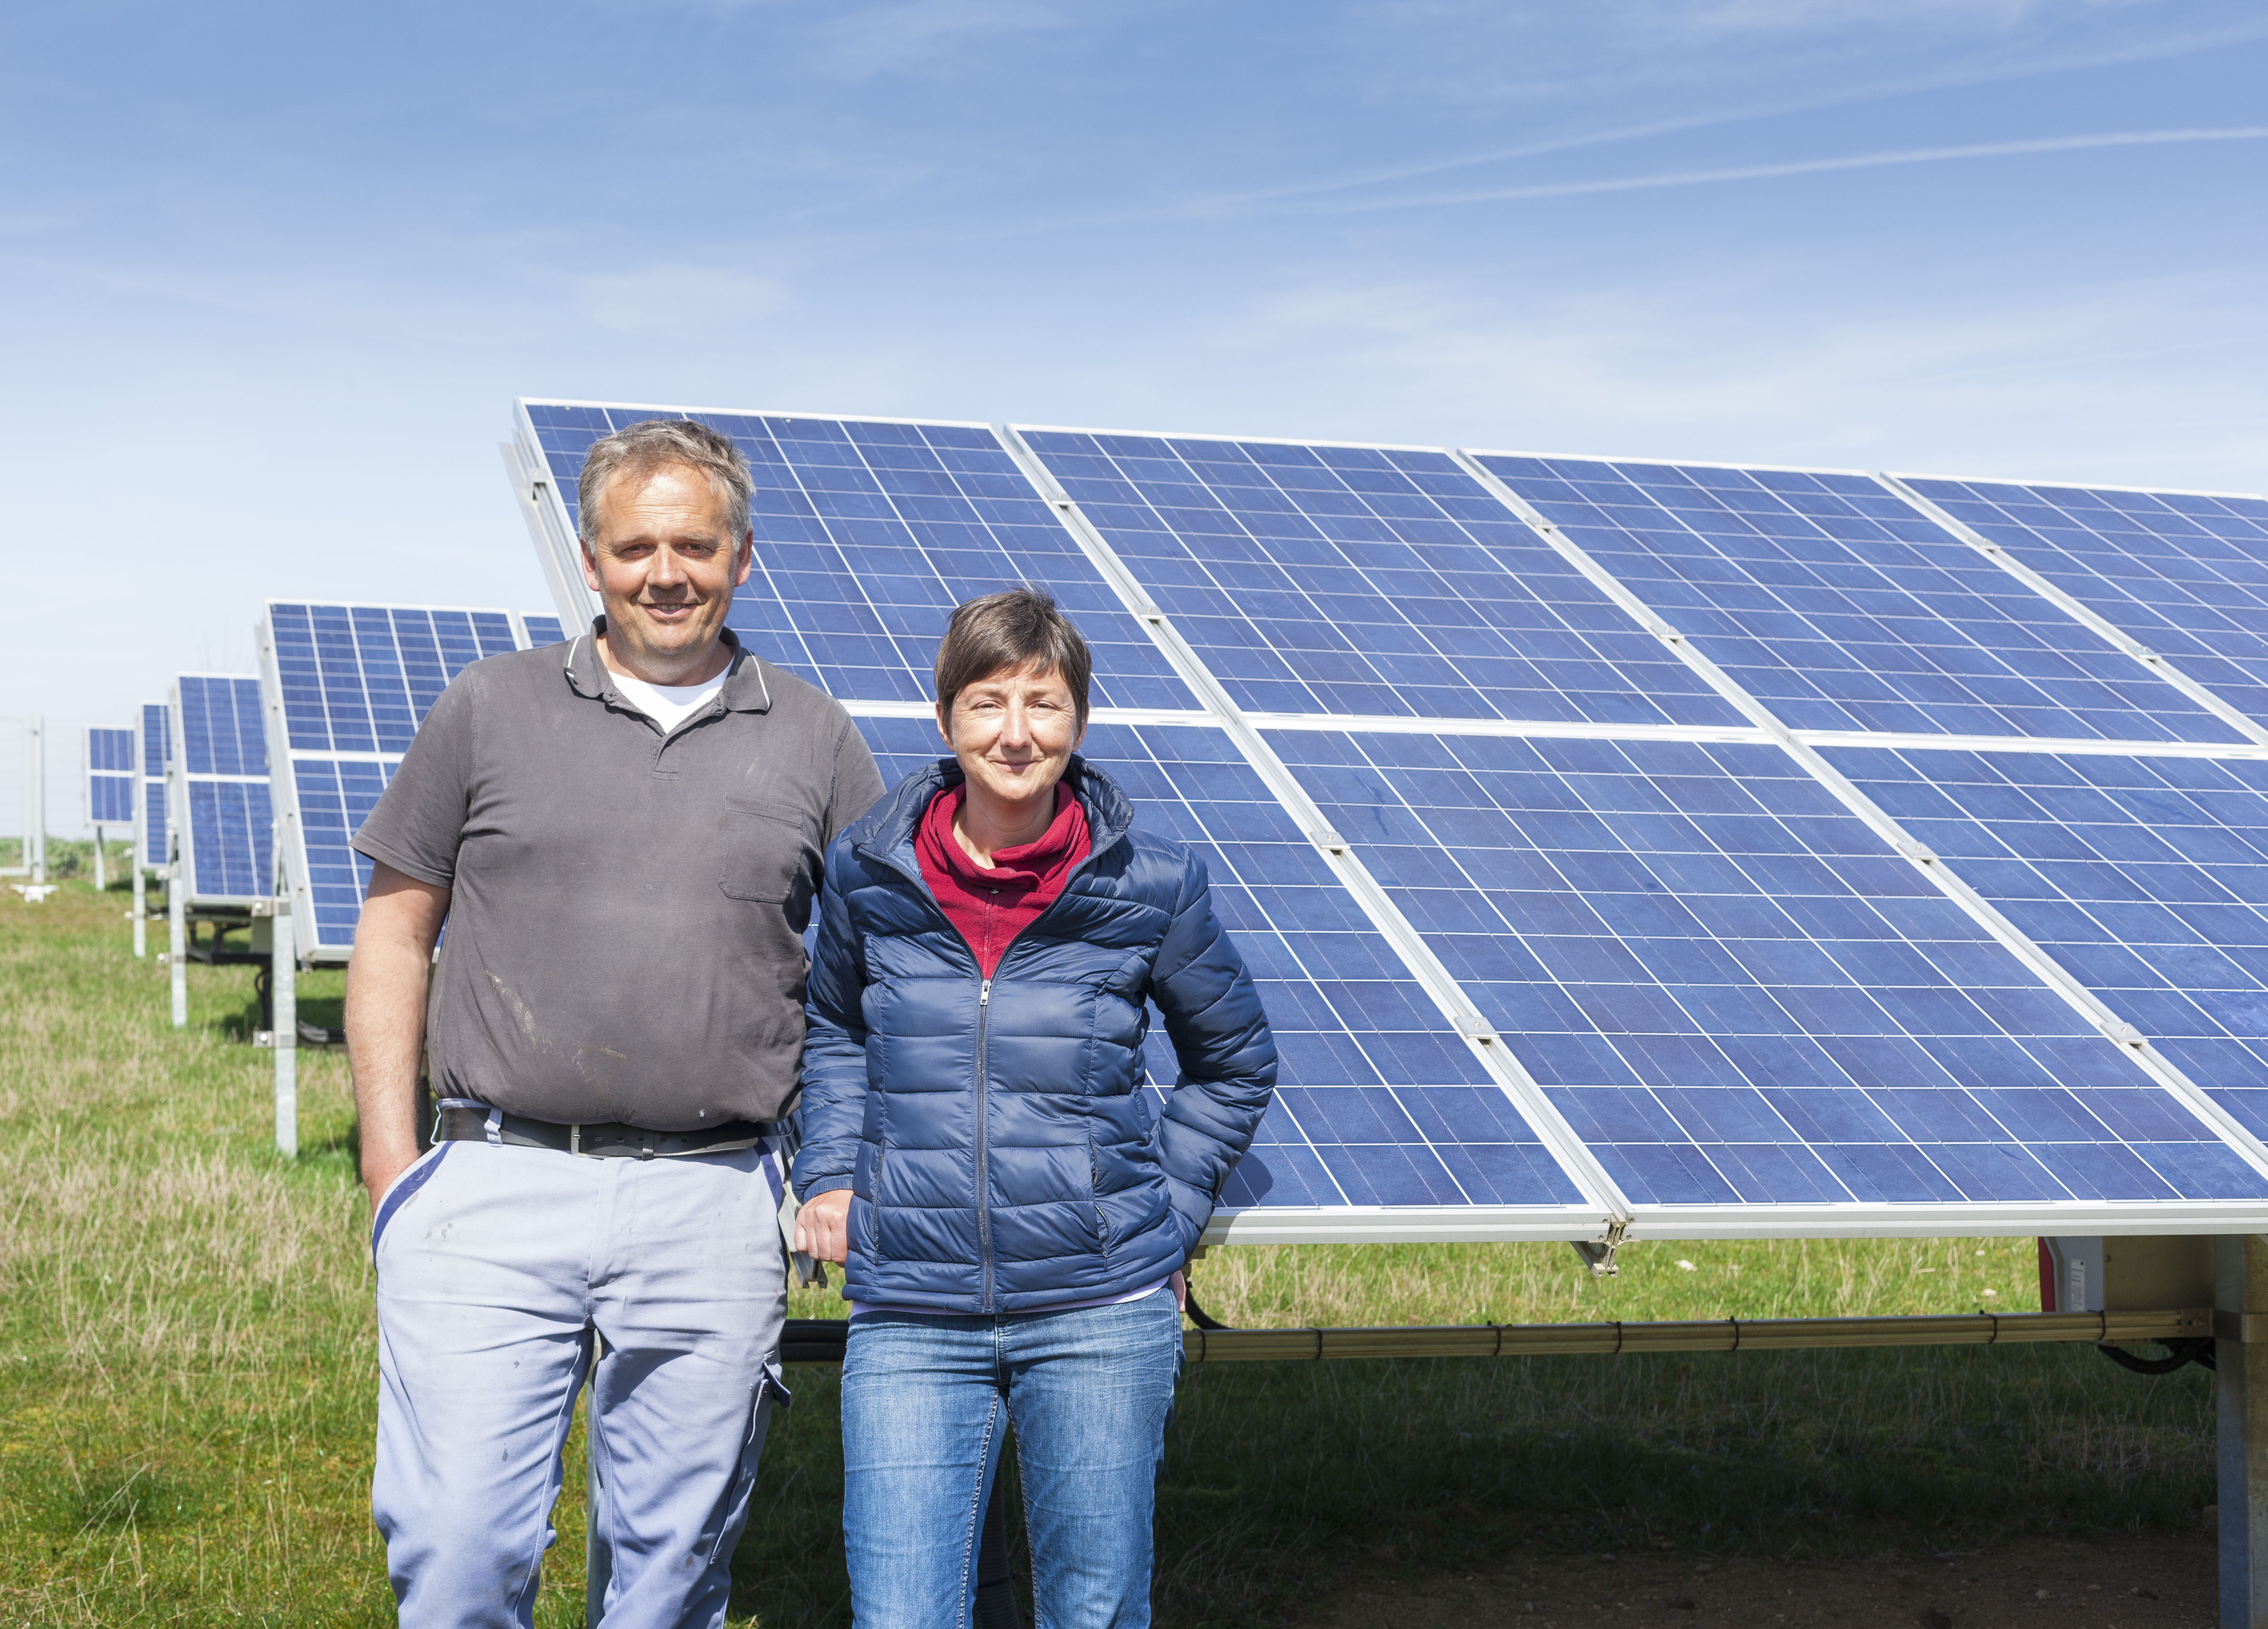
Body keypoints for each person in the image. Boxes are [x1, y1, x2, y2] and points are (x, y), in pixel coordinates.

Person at [345, 417, 884, 1628]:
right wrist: (393, 1169)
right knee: (457, 1546)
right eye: (635, 546)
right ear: (588, 560)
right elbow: (392, 929)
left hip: (714, 1195)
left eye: (695, 544)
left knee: (672, 1568)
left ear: (743, 557)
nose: (666, 572)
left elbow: (867, 974)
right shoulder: (488, 707)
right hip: (491, 1180)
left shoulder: (814, 736)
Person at [791, 586, 1278, 1628]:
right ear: (944, 721)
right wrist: (829, 1171)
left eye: (1043, 705)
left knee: (1092, 1612)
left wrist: (1157, 1208)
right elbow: (832, 1031)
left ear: (1079, 722)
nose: (1015, 733)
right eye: (987, 702)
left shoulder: (1149, 884)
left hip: (1100, 1311)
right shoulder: (868, 874)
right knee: (898, 1613)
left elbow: (1232, 1060)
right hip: (911, 1311)